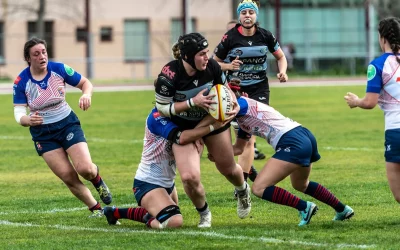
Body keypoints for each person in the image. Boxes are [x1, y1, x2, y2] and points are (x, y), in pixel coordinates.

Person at [210, 92, 354, 226]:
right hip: (303, 135)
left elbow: (235, 106)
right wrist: (218, 154)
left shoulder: (242, 103)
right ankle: (342, 209)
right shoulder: (241, 120)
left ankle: (304, 207)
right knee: (300, 184)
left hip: (291, 140)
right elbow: (239, 148)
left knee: (259, 188)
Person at [154, 32, 252, 220]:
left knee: (228, 169)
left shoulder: (212, 67)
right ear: (187, 56)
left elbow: (226, 90)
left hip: (212, 120)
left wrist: (234, 102)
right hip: (184, 128)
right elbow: (162, 109)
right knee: (189, 177)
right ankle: (204, 214)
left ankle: (242, 190)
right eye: (201, 54)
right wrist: (193, 102)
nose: (207, 57)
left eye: (207, 52)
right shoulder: (169, 74)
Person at [13, 37, 112, 217]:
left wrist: (86, 95)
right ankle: (97, 210)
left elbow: (85, 83)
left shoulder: (58, 69)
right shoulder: (21, 81)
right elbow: (19, 112)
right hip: (43, 134)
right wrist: (27, 120)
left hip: (67, 124)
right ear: (28, 58)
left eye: (44, 52)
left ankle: (97, 180)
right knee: (68, 176)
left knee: (85, 169)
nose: (42, 56)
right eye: (36, 54)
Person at [103, 109, 223, 228]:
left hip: (169, 184)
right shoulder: (156, 117)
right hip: (147, 183)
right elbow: (181, 138)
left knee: (170, 211)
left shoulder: (181, 118)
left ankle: (114, 213)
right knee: (174, 221)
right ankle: (148, 219)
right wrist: (211, 127)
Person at [213, 0, 288, 184]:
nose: (247, 16)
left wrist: (282, 71)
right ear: (239, 16)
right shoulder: (229, 37)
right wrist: (229, 66)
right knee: (244, 136)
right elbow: (213, 64)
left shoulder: (266, 36)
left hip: (259, 89)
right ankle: (246, 175)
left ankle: (244, 180)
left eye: (251, 13)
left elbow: (281, 56)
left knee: (249, 135)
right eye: (244, 13)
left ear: (256, 15)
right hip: (235, 90)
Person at [345, 17, 400, 205]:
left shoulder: (377, 65)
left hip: (396, 129)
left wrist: (356, 101)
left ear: (382, 38)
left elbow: (370, 102)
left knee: (399, 194)